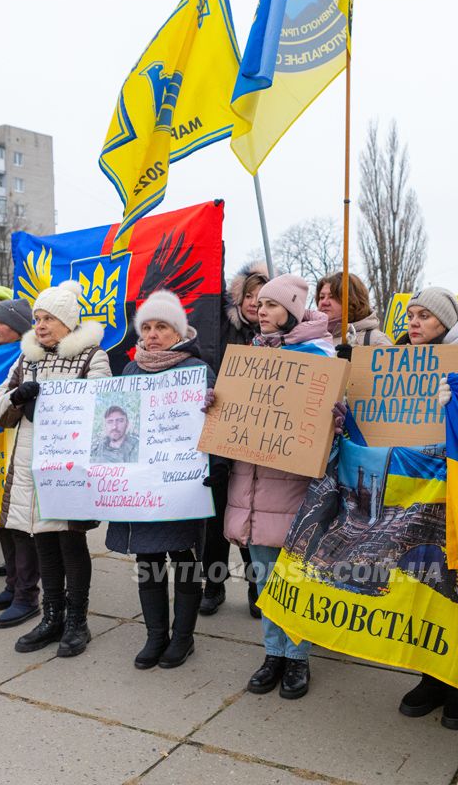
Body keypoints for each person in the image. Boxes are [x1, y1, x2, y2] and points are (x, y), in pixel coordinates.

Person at [217, 273, 338, 700]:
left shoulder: (317, 357)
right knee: (266, 578)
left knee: (296, 580)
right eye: (259, 305)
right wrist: (216, 406)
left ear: (290, 310)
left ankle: (298, 658)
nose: (260, 311)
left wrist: (332, 419)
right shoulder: (249, 356)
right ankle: (273, 654)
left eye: (270, 306)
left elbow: (333, 428)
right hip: (252, 489)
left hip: (292, 491)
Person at [390, 287, 458, 729]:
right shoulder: (401, 363)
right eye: (410, 315)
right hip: (418, 493)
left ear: (446, 322)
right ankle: (431, 676)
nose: (413, 322)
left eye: (424, 316)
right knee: (425, 580)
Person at [0, 280, 111, 657]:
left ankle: (77, 622)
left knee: (70, 542)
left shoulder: (93, 356)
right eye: (37, 318)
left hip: (70, 466)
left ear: (68, 322)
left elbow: (104, 408)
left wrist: (65, 409)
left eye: (48, 319)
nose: (39, 325)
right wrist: (17, 396)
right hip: (30, 462)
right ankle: (52, 617)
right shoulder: (26, 359)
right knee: (42, 540)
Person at [106, 290, 215, 669]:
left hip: (181, 485)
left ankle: (183, 638)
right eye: (147, 327)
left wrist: (211, 407)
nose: (153, 334)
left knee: (183, 558)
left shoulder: (197, 371)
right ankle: (156, 635)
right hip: (141, 486)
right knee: (147, 558)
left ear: (179, 331)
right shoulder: (130, 371)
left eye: (162, 327)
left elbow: (215, 427)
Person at [202, 263, 269, 618]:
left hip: (256, 441)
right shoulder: (220, 328)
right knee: (213, 520)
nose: (254, 304)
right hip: (219, 436)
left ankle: (258, 587)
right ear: (238, 297)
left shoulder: (280, 338)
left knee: (249, 519)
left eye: (262, 299)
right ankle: (213, 586)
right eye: (249, 296)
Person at [0, 298, 40, 625]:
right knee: (5, 521)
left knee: (22, 525)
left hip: (24, 449)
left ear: (18, 326)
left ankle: (26, 594)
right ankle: (13, 586)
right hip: (1, 446)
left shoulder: (29, 356)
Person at [314, 272, 391, 349]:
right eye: (321, 297)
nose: (324, 302)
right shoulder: (311, 340)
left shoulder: (376, 341)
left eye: (332, 297)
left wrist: (356, 357)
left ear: (352, 301)